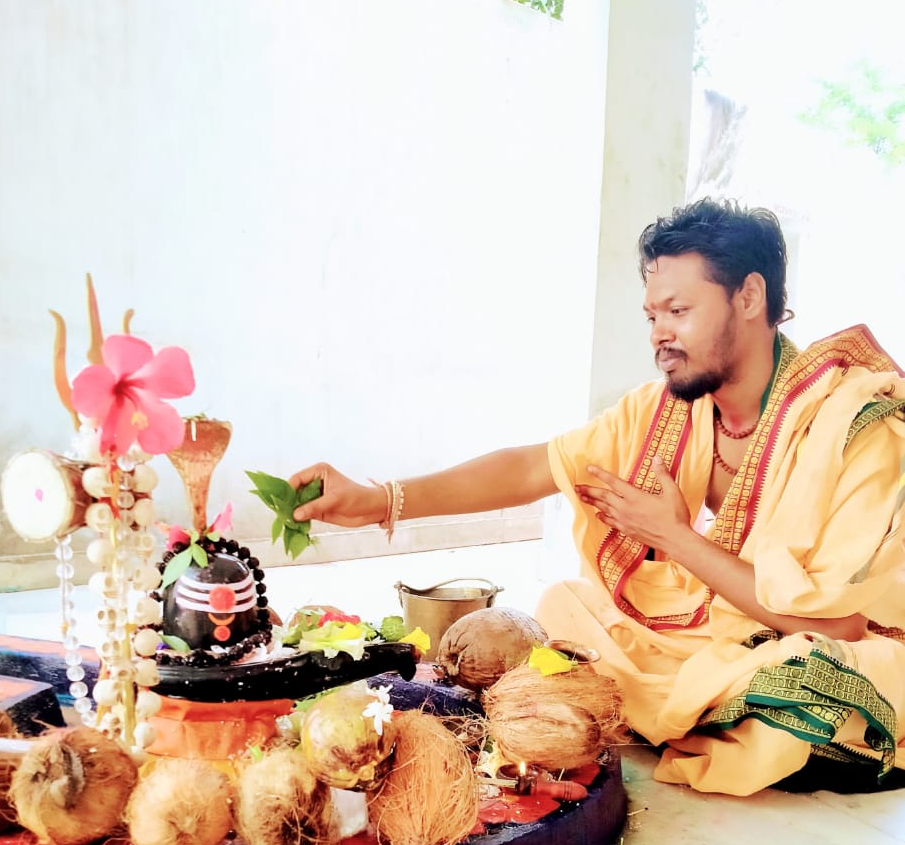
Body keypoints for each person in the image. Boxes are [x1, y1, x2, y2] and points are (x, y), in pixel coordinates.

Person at [289, 199, 905, 796]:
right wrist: (380, 501)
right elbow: (532, 467)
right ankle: (690, 709)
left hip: (831, 641)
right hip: (705, 639)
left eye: (679, 311)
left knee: (806, 678)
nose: (660, 335)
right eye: (652, 316)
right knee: (566, 607)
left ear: (748, 297)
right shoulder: (664, 410)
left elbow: (837, 623)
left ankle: (701, 714)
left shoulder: (854, 425)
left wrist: (674, 539)